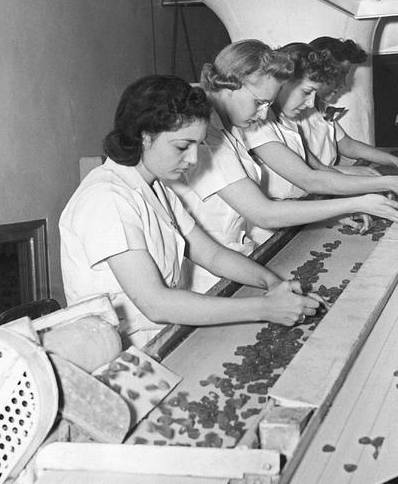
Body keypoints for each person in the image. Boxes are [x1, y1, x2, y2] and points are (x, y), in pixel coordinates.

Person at [59, 75, 319, 347]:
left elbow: (212, 254)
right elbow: (155, 304)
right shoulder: (107, 198)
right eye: (183, 146)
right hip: (117, 352)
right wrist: (265, 309)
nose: (194, 159)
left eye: (198, 145)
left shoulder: (156, 188)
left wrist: (272, 283)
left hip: (160, 337)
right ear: (145, 137)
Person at [170, 40, 398, 291]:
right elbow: (264, 213)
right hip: (208, 275)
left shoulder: (231, 125)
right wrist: (357, 201)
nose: (262, 115)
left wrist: (336, 211)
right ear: (232, 85)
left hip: (237, 256)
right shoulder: (205, 137)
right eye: (259, 103)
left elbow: (306, 177)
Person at [238, 42, 398, 214]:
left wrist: (353, 200)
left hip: (302, 205)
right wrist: (384, 185)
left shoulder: (289, 119)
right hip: (278, 215)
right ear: (284, 82)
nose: (310, 103)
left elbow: (320, 168)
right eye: (306, 92)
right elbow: (309, 179)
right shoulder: (258, 122)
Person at [307, 36, 398, 172]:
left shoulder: (319, 110)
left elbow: (348, 146)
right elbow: (309, 174)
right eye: (340, 74)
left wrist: (395, 161)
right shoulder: (294, 113)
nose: (343, 84)